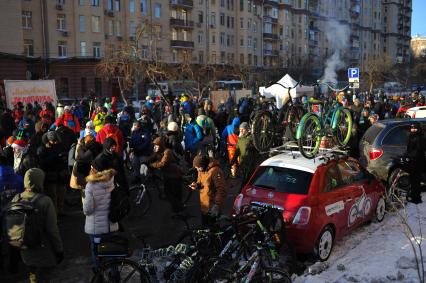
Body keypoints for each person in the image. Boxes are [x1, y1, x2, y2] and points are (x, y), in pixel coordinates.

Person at [14, 168, 64, 282]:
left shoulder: (17, 198)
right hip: (43, 250)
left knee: (33, 275)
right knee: (44, 277)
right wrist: (59, 250)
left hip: (24, 250)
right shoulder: (45, 201)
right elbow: (52, 230)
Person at [83, 162, 118, 269]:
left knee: (96, 252)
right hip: (111, 225)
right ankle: (115, 275)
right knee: (112, 253)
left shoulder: (90, 186)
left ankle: (100, 275)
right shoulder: (112, 182)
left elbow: (88, 210)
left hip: (96, 228)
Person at [147, 137, 183, 211]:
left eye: (156, 145)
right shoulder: (158, 152)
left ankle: (180, 207)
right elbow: (152, 157)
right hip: (167, 174)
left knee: (171, 193)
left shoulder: (167, 152)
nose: (155, 147)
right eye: (154, 146)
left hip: (173, 174)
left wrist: (152, 165)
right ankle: (176, 207)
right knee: (168, 192)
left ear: (160, 145)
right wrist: (146, 162)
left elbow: (163, 163)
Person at [37, 131, 68, 215]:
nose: (55, 142)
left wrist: (63, 157)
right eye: (53, 141)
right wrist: (55, 157)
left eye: (56, 140)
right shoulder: (42, 149)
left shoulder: (58, 145)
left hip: (60, 173)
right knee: (52, 195)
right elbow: (42, 162)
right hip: (50, 174)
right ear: (48, 140)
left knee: (61, 194)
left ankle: (60, 211)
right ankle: (53, 214)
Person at [191, 155, 227, 224]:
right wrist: (196, 185)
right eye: (196, 168)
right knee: (205, 229)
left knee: (213, 230)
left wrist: (217, 205)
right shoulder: (201, 169)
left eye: (198, 168)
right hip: (204, 206)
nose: (197, 170)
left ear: (204, 165)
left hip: (213, 207)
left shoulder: (215, 171)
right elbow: (200, 181)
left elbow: (221, 189)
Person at [230, 122, 259, 188]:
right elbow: (237, 152)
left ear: (246, 129)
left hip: (251, 164)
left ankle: (242, 192)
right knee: (244, 180)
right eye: (240, 130)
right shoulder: (239, 139)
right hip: (243, 163)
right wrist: (232, 162)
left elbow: (257, 150)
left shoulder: (252, 138)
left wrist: (252, 148)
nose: (241, 131)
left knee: (247, 181)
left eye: (243, 129)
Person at [404, 122, 425, 204]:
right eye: (412, 128)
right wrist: (406, 155)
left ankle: (416, 198)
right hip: (412, 162)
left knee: (416, 181)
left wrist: (409, 155)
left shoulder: (420, 138)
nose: (413, 129)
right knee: (413, 180)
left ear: (418, 129)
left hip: (418, 162)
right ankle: (413, 196)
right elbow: (409, 148)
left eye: (415, 128)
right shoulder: (411, 136)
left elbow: (418, 151)